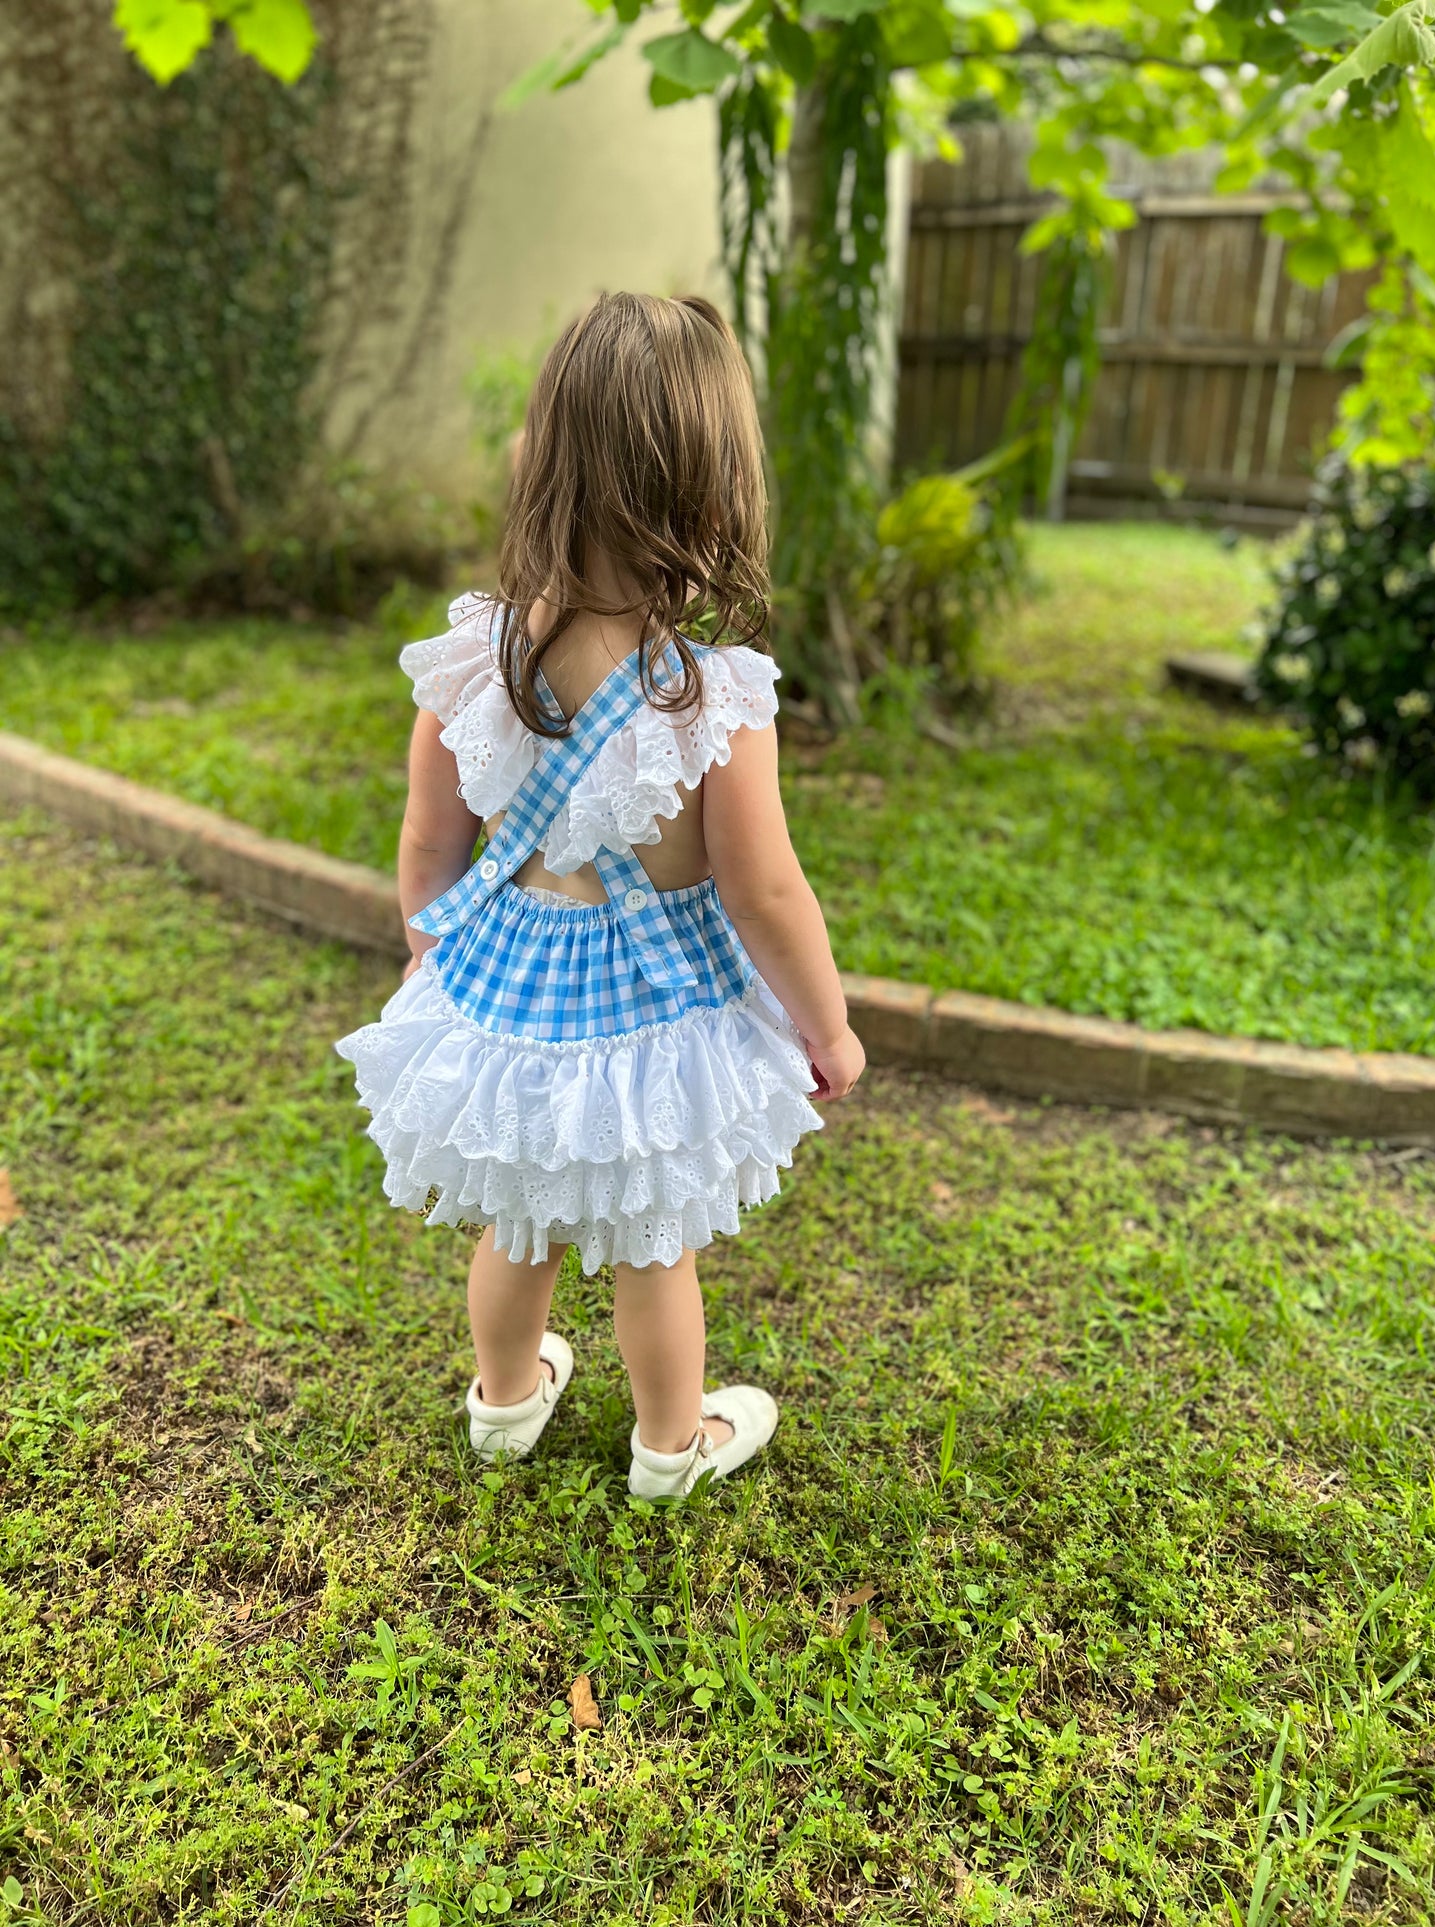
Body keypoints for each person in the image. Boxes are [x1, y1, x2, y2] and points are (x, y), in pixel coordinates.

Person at [336, 292, 865, 1498]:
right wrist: (824, 1028)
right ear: (710, 487)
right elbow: (765, 888)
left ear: (549, 464)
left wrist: (429, 955)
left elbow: (428, 845)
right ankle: (669, 1447)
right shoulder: (708, 698)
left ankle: (505, 1401)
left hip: (508, 991)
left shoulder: (472, 665)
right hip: (648, 1008)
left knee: (517, 1221)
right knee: (649, 1237)